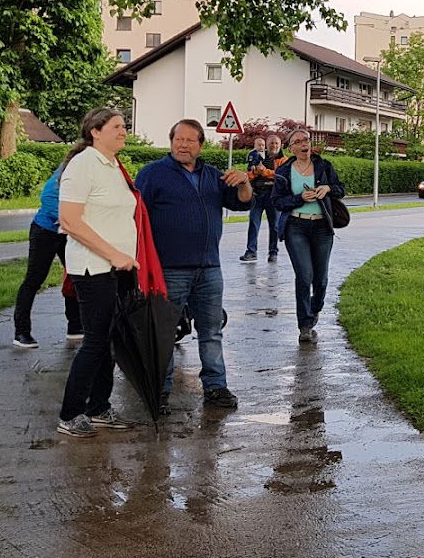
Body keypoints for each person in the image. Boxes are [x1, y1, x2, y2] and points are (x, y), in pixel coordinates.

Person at [136, 119, 254, 412]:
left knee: (211, 331)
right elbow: (136, 218)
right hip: (169, 268)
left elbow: (243, 203)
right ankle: (159, 393)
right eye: (178, 139)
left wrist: (244, 182)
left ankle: (216, 388)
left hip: (209, 268)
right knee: (163, 333)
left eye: (190, 140)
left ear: (201, 145)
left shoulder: (212, 175)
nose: (183, 145)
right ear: (171, 141)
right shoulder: (152, 175)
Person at [55, 108, 139, 439]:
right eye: (117, 126)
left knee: (109, 340)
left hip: (117, 268)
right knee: (94, 341)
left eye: (124, 126)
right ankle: (71, 413)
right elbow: (70, 221)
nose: (124, 131)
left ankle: (99, 407)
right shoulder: (83, 165)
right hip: (94, 268)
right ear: (96, 131)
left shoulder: (113, 166)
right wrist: (114, 254)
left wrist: (126, 258)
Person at [272, 129, 345, 344]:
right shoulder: (284, 171)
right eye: (298, 141)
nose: (304, 144)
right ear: (291, 148)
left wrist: (327, 188)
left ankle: (315, 309)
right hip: (296, 226)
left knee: (320, 279)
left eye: (306, 140)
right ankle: (304, 325)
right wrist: (299, 198)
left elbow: (341, 189)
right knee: (304, 276)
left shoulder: (323, 166)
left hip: (322, 227)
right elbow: (277, 201)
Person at [12, 162, 83, 348]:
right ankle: (21, 332)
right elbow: (49, 197)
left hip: (70, 232)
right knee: (34, 279)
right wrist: (70, 221)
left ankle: (75, 326)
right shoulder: (70, 169)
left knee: (76, 276)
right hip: (46, 230)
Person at [241, 136, 283, 262]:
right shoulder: (256, 157)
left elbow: (281, 176)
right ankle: (251, 252)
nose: (274, 145)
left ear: (280, 145)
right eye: (271, 143)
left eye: (276, 143)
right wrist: (254, 173)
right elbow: (248, 175)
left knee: (275, 226)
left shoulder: (283, 160)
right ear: (266, 144)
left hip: (274, 196)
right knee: (253, 223)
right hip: (257, 195)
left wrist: (264, 172)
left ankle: (273, 252)